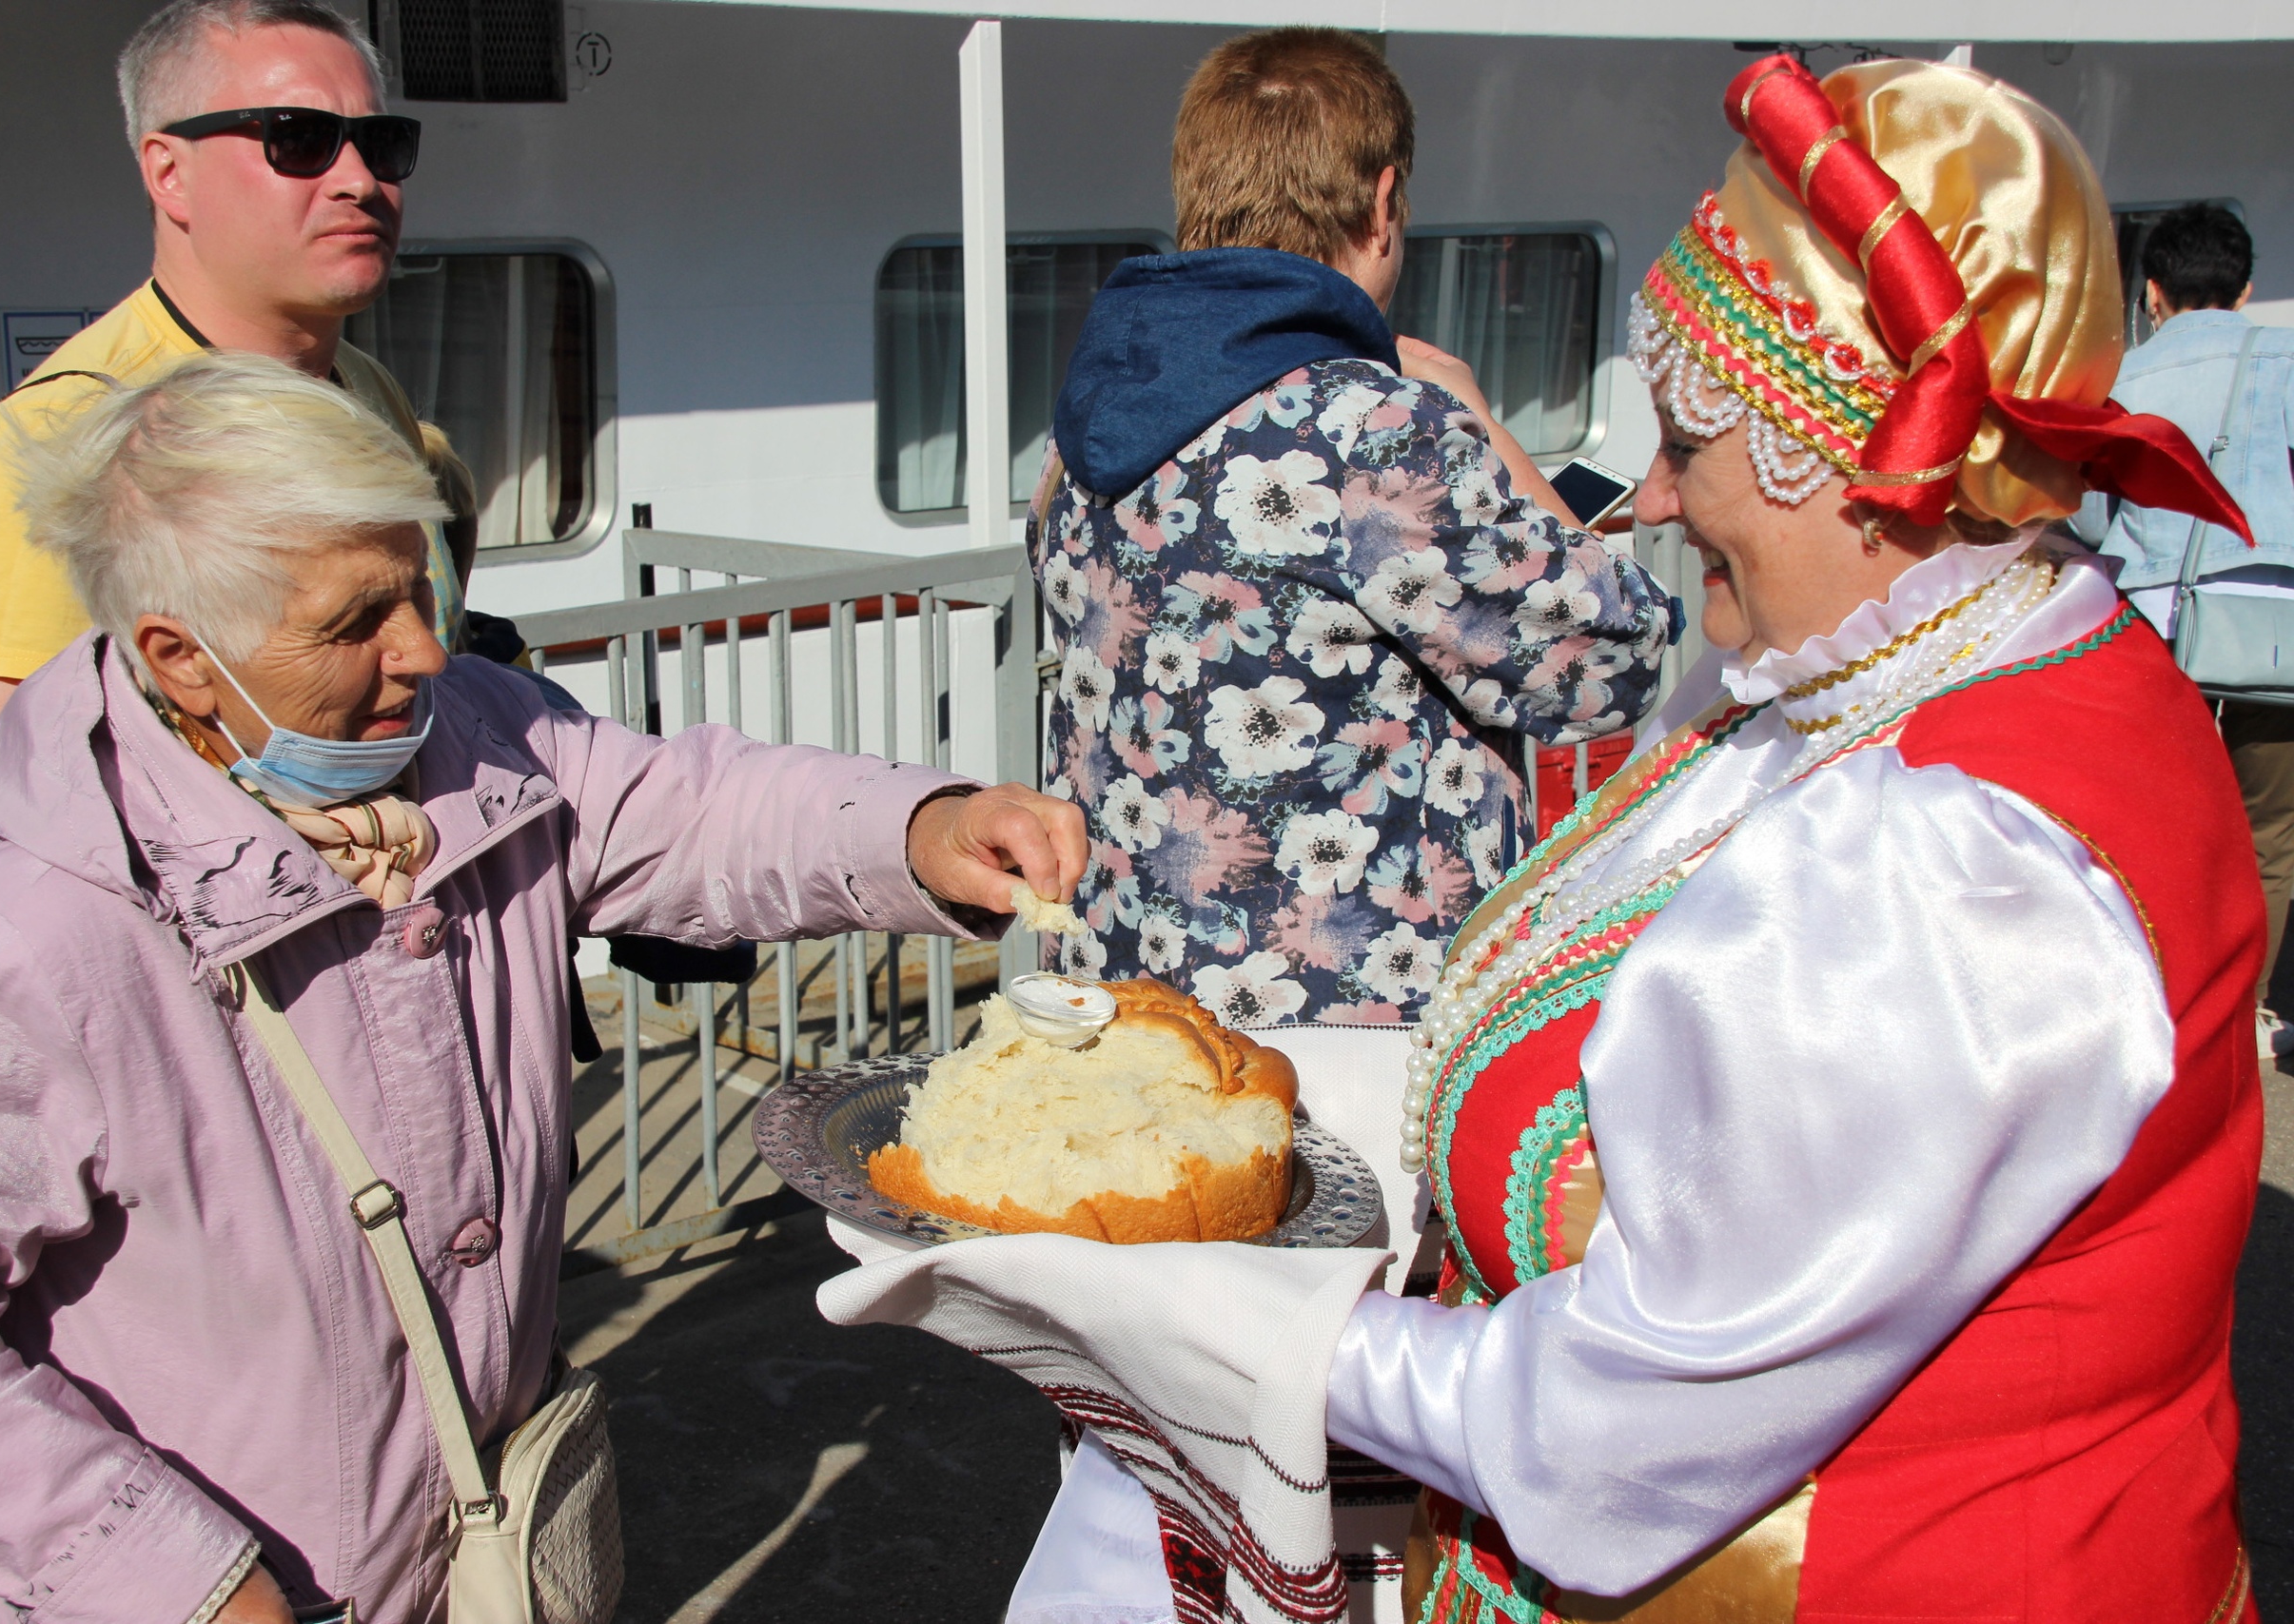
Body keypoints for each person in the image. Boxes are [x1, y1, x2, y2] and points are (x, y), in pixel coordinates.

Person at [828, 54, 2262, 1624]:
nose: (1645, 497)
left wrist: (1159, 1301)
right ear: (1386, 199)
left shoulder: (1963, 854)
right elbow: (1578, 653)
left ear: (1868, 467)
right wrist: (1485, 451)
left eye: (1688, 441)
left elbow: (1602, 1425)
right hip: (1332, 1036)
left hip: (1185, 1024)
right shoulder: (1411, 446)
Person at [0, 353, 1087, 1624]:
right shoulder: (42, 942)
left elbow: (691, 805)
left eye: (421, 583)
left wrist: (919, 825)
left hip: (487, 1553)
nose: (422, 648)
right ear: (180, 655)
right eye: (354, 621)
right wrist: (163, 1575)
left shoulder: (475, 738)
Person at [1030, 28, 1675, 1025]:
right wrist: (1485, 429)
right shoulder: (1377, 431)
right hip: (1342, 1032)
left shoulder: (1081, 426)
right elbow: (1612, 658)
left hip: (1127, 999)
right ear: (1382, 205)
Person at [0, 0, 459, 859]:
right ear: (168, 172)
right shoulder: (56, 440)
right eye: (299, 137)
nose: (360, 178)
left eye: (383, 142)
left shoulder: (367, 394)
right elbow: (12, 836)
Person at [2069, 202, 2294, 1051]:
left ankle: (2157, 994)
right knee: (2269, 835)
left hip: (2160, 626)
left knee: (2160, 819)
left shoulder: (2124, 378)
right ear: (2244, 293)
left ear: (2153, 291)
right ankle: (2247, 1014)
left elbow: (2090, 520)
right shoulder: (2288, 357)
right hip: (2280, 627)